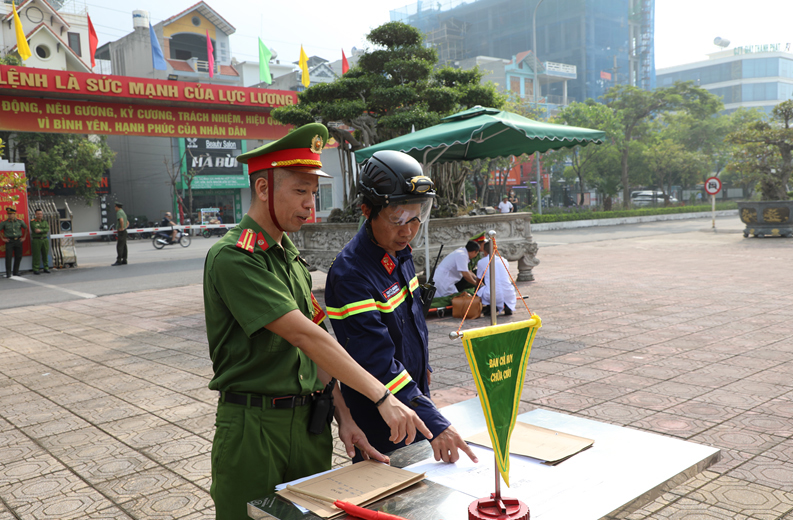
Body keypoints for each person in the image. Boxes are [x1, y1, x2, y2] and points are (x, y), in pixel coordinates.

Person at [204, 123, 431, 520]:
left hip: (310, 424)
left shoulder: (287, 254)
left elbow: (315, 355)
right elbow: (306, 336)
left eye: (314, 192)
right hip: (254, 428)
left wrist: (345, 418)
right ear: (262, 189)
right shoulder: (235, 257)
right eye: (299, 191)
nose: (311, 205)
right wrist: (382, 397)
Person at [325, 150, 477, 464]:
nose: (407, 231)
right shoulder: (351, 274)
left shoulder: (398, 252)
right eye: (397, 220)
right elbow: (375, 360)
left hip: (413, 396)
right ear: (368, 210)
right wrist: (436, 424)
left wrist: (423, 366)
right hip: (383, 417)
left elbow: (411, 320)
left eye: (416, 218)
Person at [476, 240, 516, 316]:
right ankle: (506, 305)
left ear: (484, 251)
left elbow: (478, 280)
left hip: (492, 294)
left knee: (479, 288)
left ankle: (491, 307)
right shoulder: (504, 260)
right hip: (509, 293)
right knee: (503, 284)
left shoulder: (482, 262)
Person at [1, 207, 26, 278]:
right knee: (8, 257)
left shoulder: (19, 221)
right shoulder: (4, 222)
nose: (9, 215)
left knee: (18, 256)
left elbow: (25, 228)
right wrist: (3, 238)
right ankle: (8, 272)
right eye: (8, 214)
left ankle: (16, 271)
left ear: (14, 214)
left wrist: (24, 237)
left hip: (18, 240)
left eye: (11, 214)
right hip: (9, 241)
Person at [30, 209, 51, 274]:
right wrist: (44, 230)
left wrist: (41, 230)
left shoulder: (44, 221)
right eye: (38, 214)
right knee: (36, 255)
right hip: (37, 240)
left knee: (45, 254)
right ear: (35, 214)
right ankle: (36, 269)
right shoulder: (33, 221)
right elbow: (36, 230)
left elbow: (47, 229)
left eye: (41, 214)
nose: (40, 215)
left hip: (44, 239)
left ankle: (46, 268)